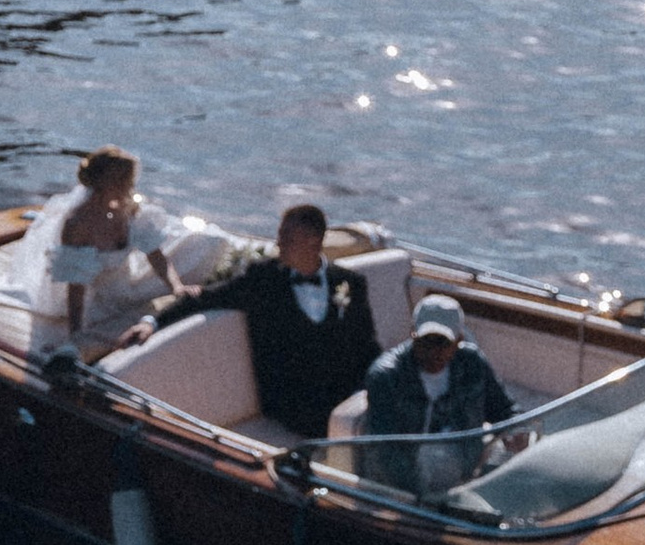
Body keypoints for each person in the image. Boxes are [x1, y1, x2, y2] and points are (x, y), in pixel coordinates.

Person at [147, 196, 380, 437]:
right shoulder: (264, 279)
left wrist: (376, 385)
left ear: (314, 241)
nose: (278, 244)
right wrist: (151, 322)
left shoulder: (348, 282)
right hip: (291, 401)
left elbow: (367, 343)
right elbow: (206, 298)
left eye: (287, 238)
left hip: (343, 391)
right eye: (279, 235)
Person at [360, 293, 520, 500]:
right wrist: (422, 499)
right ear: (412, 334)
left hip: (465, 467)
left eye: (442, 343)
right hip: (410, 483)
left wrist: (516, 431)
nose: (433, 351)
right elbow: (385, 451)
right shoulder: (386, 376)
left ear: (458, 341)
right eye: (426, 341)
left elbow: (505, 410)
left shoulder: (473, 363)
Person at [31, 149, 185, 353]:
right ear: (107, 182)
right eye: (125, 181)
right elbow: (76, 286)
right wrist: (76, 333)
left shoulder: (131, 208)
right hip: (93, 293)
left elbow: (156, 256)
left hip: (125, 280)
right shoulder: (79, 223)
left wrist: (176, 287)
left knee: (206, 245)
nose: (131, 187)